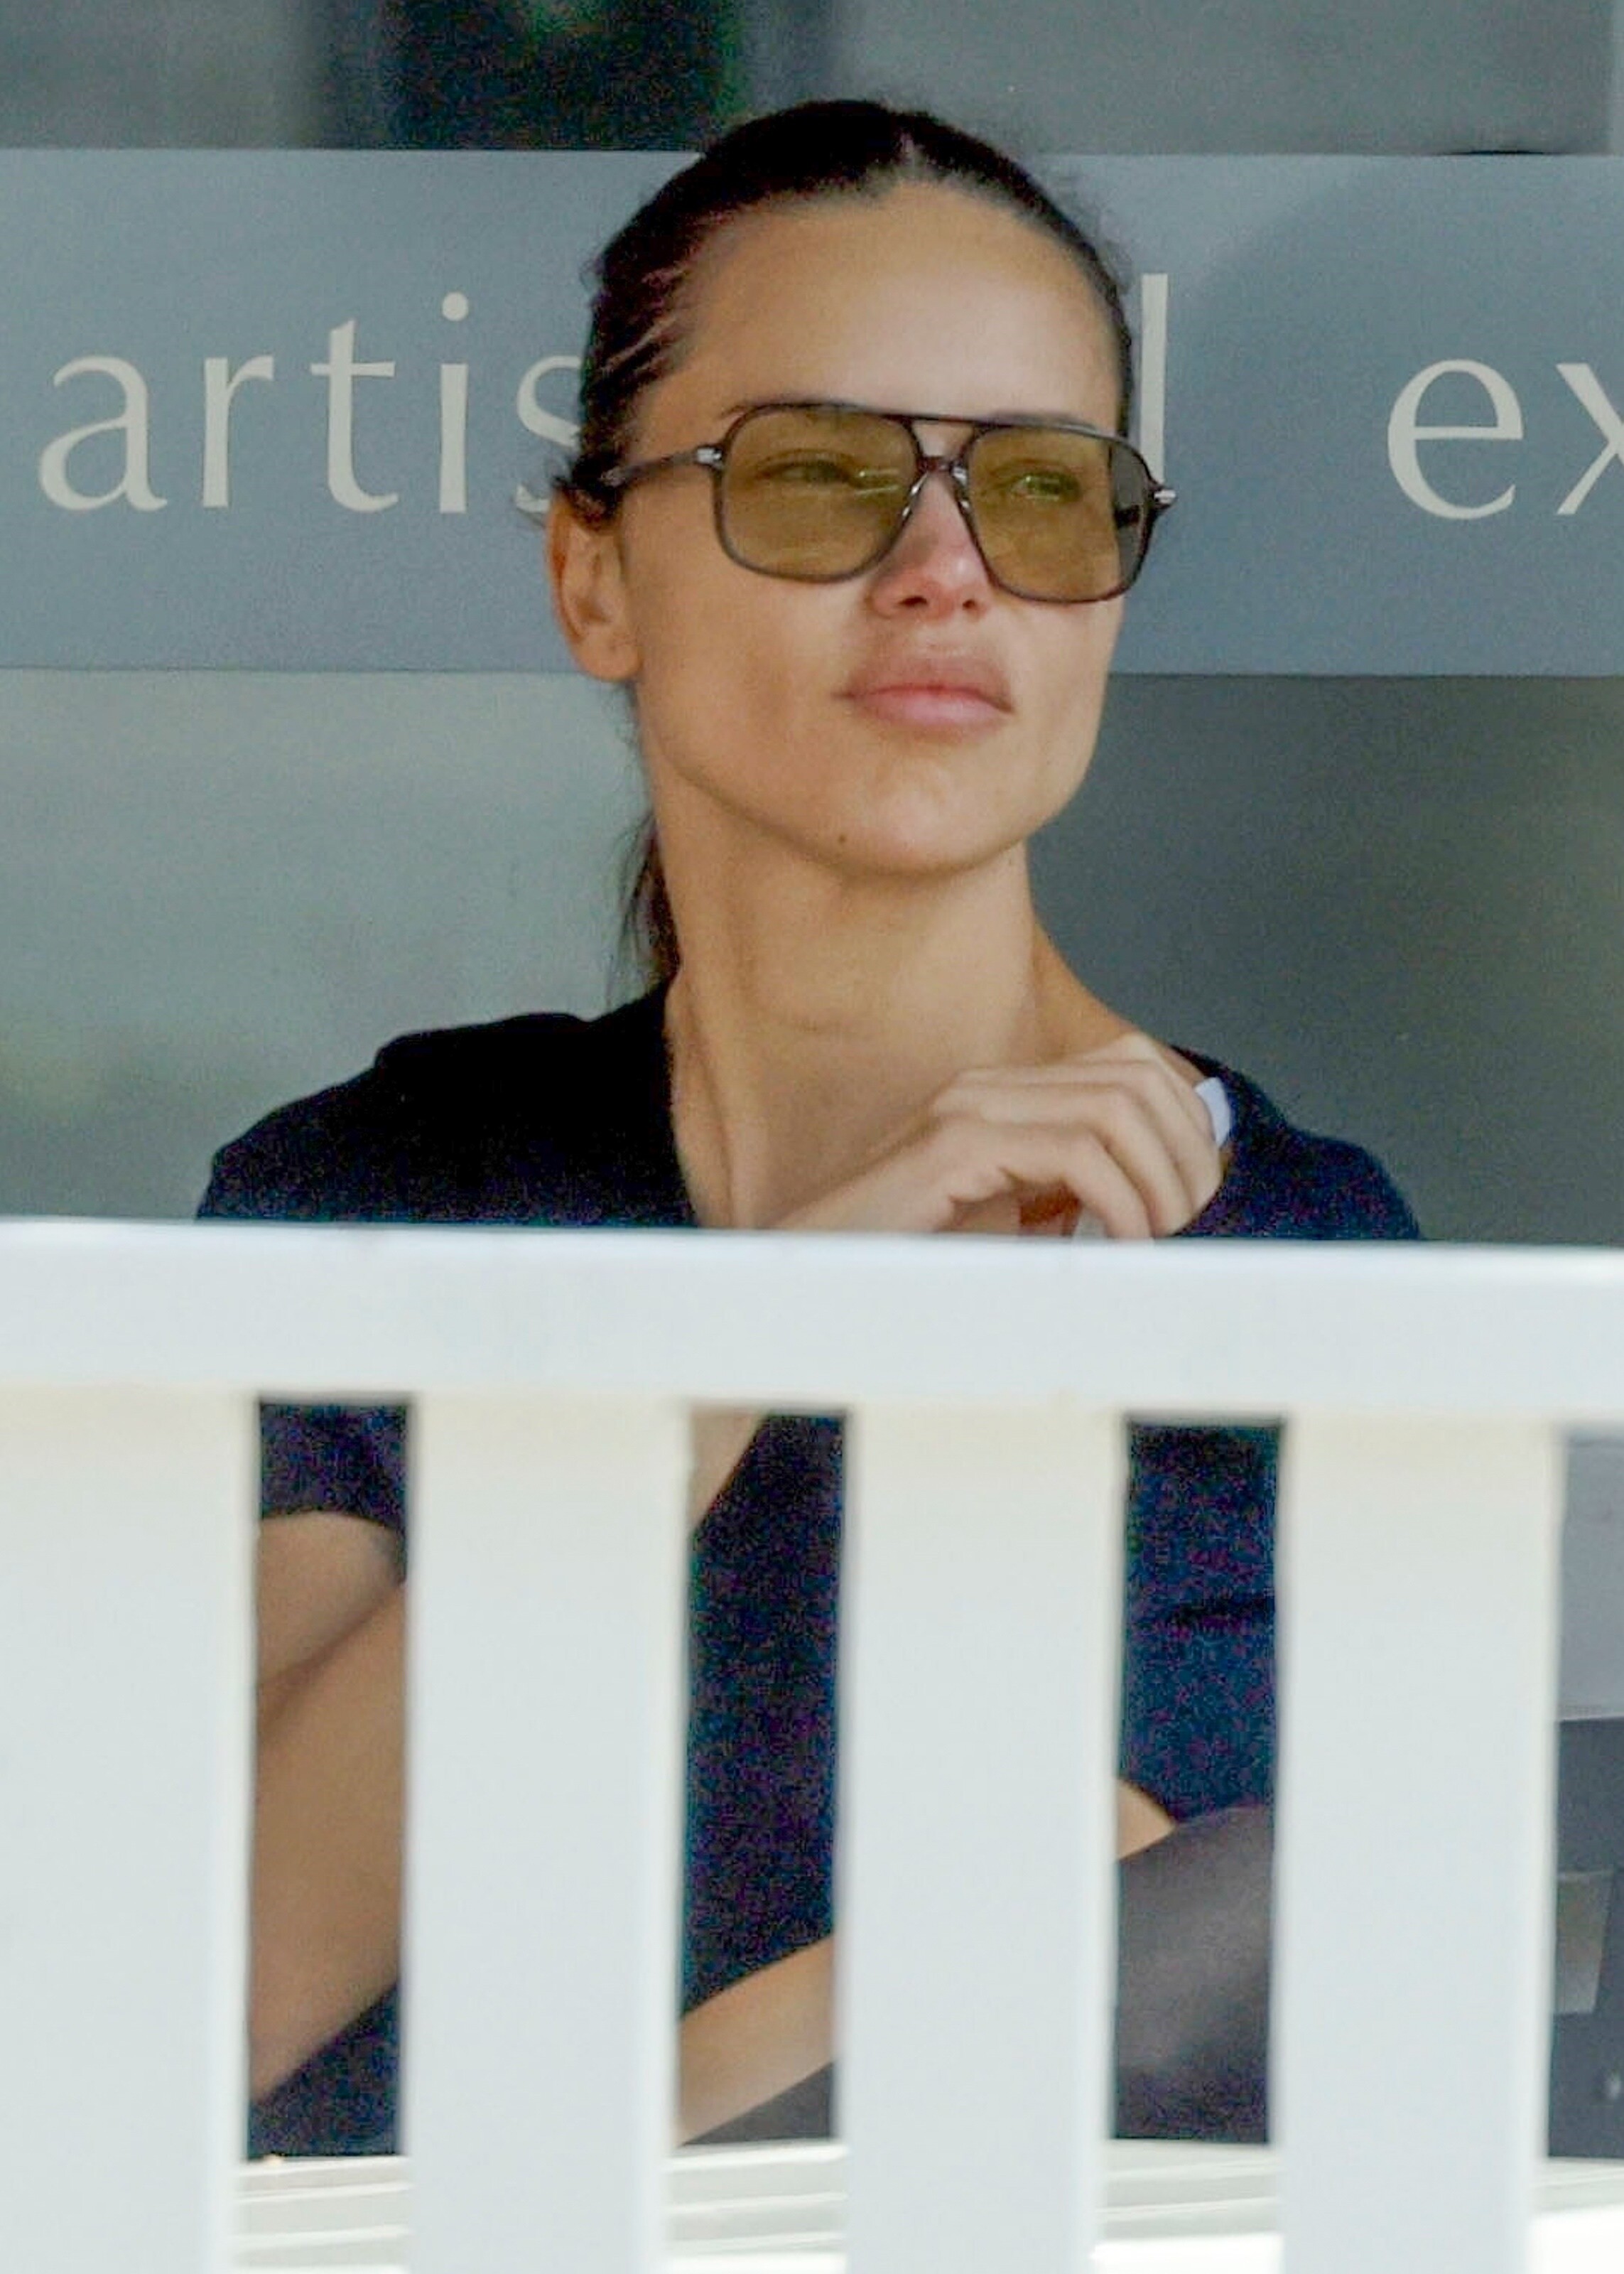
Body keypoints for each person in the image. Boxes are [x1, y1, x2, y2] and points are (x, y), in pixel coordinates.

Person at [202, 99, 1418, 2157]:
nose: (945, 574)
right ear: (595, 577)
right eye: (821, 476)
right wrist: (771, 1319)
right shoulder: (389, 1196)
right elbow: (186, 1992)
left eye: (1041, 492)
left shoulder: (1270, 1255)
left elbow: (1198, 2014)